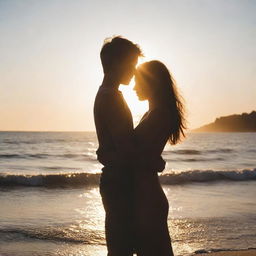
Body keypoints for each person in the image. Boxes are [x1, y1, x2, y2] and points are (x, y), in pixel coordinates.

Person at [94, 37, 165, 256]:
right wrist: (154, 162)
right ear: (116, 63)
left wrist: (105, 154)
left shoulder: (109, 94)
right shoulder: (111, 99)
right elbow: (126, 153)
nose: (134, 71)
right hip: (120, 183)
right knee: (122, 249)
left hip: (118, 181)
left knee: (122, 247)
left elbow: (118, 148)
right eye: (132, 64)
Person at [132, 60, 186, 256]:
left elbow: (139, 156)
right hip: (145, 194)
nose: (133, 87)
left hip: (148, 197)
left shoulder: (160, 114)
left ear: (152, 82)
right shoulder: (152, 113)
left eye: (138, 81)